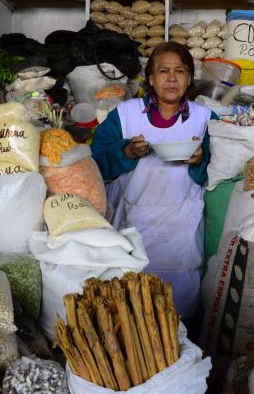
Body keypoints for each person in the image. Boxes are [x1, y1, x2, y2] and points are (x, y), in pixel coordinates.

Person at [91, 42, 218, 319]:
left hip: (181, 232)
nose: (172, 78)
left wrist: (201, 159)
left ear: (189, 78)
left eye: (180, 71)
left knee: (177, 319)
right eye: (163, 71)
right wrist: (126, 151)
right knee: (131, 316)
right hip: (132, 227)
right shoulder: (125, 114)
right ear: (150, 78)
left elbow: (222, 170)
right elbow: (96, 160)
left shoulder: (205, 118)